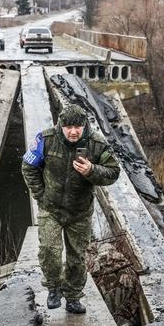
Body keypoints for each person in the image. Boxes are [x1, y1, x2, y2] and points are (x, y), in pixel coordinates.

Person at [21, 104, 120, 314]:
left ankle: (73, 297)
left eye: (78, 126)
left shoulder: (97, 144)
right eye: (68, 127)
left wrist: (92, 170)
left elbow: (113, 173)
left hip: (80, 212)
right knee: (49, 251)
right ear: (61, 125)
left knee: (77, 257)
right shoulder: (46, 139)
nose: (73, 131)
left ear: (84, 126)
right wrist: (41, 195)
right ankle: (54, 288)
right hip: (51, 209)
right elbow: (28, 167)